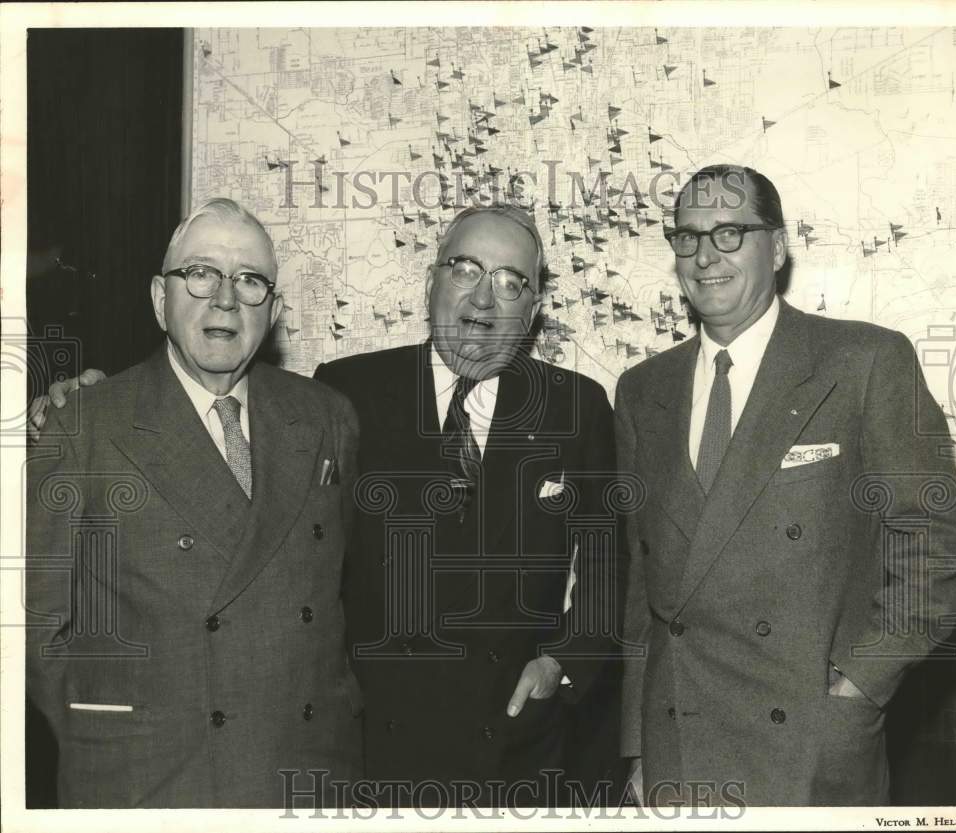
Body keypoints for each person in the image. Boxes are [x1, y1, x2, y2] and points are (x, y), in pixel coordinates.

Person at [32, 204, 623, 807]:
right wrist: (86, 400)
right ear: (431, 282)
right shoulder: (346, 393)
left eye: (510, 281)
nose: (484, 297)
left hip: (516, 744)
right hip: (373, 751)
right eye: (466, 269)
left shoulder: (576, 407)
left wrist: (562, 663)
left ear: (533, 308)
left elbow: (608, 566)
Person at [615, 164, 956, 806]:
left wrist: (858, 689)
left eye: (730, 233)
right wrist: (640, 745)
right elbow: (642, 581)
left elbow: (938, 548)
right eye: (688, 237)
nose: (705, 256)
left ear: (778, 248)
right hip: (678, 747)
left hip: (808, 747)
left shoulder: (863, 362)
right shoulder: (644, 389)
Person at [25, 199, 363, 808]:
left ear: (274, 311)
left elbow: (341, 594)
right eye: (201, 273)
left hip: (305, 778)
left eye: (250, 281)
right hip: (152, 783)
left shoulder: (326, 417)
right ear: (161, 299)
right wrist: (109, 732)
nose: (226, 300)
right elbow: (37, 624)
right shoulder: (84, 424)